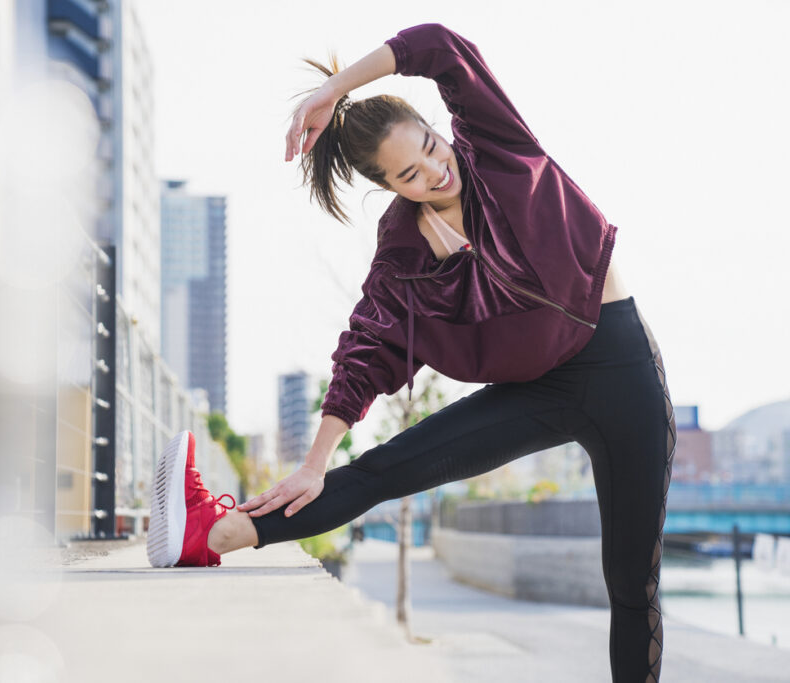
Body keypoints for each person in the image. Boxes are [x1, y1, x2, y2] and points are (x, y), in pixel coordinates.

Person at [147, 23, 676, 683]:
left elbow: (442, 47)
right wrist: (315, 460)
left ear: (438, 128)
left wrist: (336, 89)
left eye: (429, 147)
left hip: (623, 371)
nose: (434, 169)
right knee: (381, 470)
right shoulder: (406, 245)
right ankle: (211, 533)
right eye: (411, 174)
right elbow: (367, 347)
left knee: (631, 581)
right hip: (538, 392)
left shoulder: (497, 148)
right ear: (392, 187)